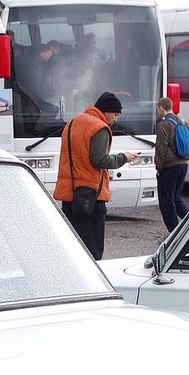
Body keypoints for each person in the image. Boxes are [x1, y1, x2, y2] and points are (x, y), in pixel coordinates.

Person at [52, 91, 137, 259]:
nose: (116, 119)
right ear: (106, 111)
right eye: (115, 114)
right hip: (90, 195)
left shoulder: (73, 122)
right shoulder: (99, 127)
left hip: (70, 192)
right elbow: (100, 160)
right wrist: (123, 157)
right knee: (93, 249)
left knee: (73, 244)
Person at [154, 97, 189, 232]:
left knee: (166, 200)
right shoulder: (184, 122)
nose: (158, 111)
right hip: (184, 165)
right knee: (175, 197)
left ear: (161, 108)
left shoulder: (163, 125)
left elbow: (161, 149)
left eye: (158, 109)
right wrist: (183, 157)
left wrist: (159, 168)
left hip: (169, 167)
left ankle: (174, 232)